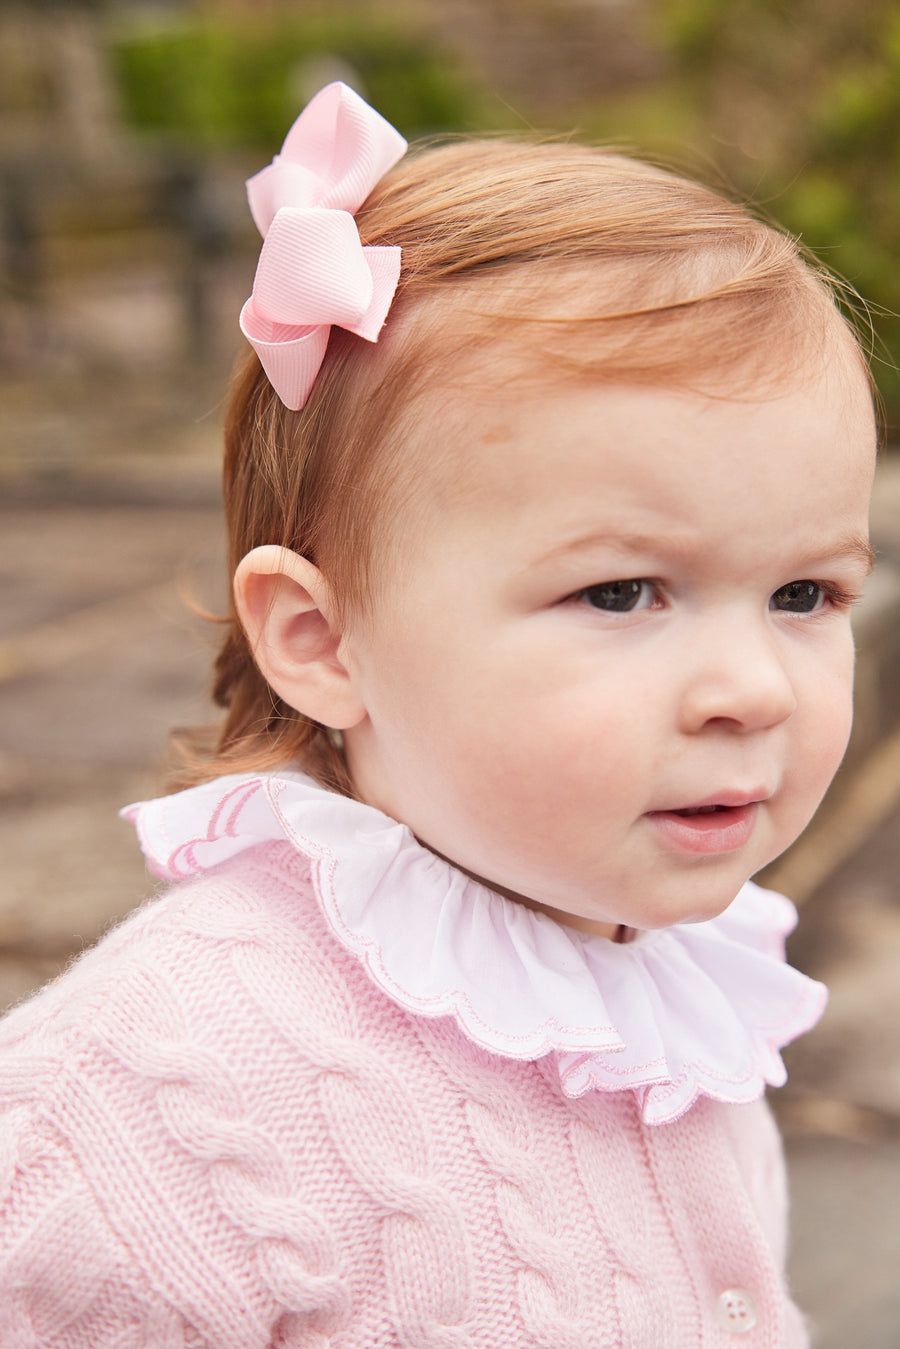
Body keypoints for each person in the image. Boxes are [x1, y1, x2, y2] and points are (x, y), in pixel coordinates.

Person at [0, 82, 877, 1347]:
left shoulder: (685, 966)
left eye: (805, 591)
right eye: (620, 591)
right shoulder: (151, 1098)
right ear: (321, 638)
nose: (753, 687)